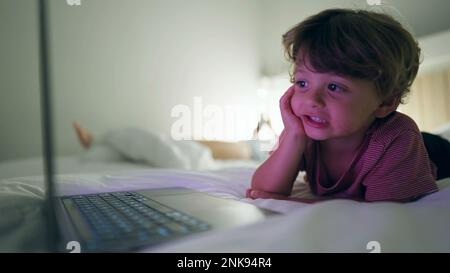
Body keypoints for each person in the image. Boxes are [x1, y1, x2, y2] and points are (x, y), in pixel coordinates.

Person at [247, 8, 440, 203]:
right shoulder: (305, 131)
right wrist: (294, 136)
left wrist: (299, 203)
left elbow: (385, 211)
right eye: (302, 83)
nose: (312, 100)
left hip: (436, 150)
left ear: (385, 102)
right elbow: (262, 188)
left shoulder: (395, 138)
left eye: (334, 87)